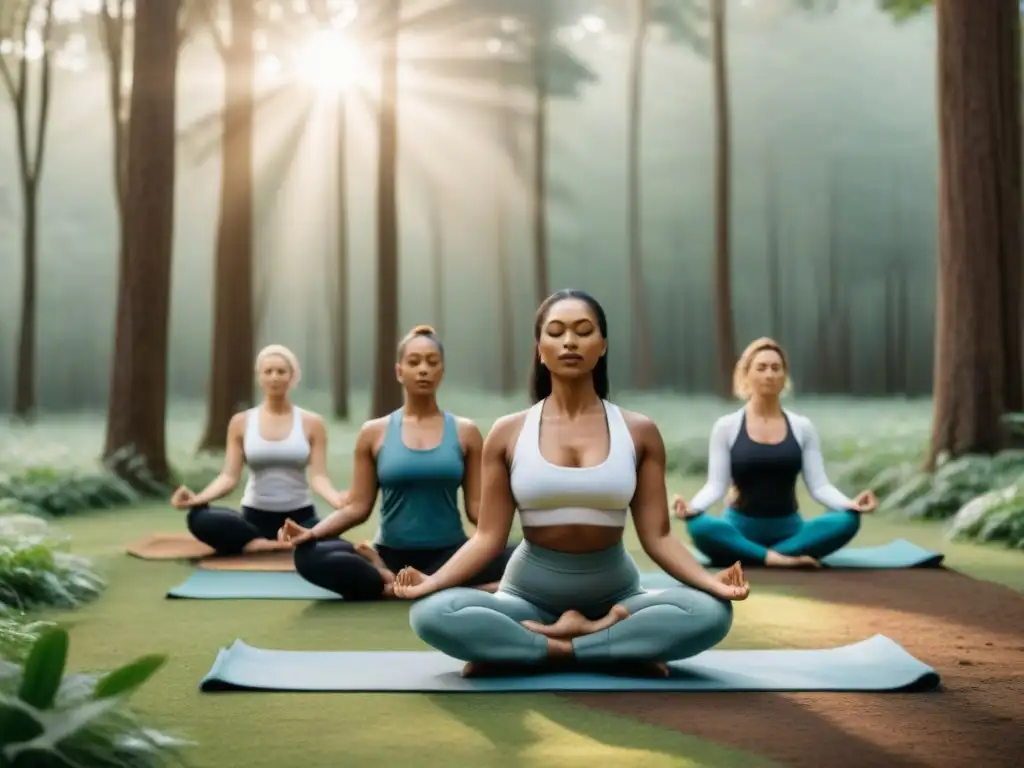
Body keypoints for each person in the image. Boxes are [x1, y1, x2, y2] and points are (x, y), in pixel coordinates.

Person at [391, 290, 746, 678]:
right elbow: (487, 537)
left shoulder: (639, 431)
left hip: (618, 597)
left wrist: (710, 583)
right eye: (556, 332)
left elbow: (658, 537)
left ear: (603, 344)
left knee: (711, 613)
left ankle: (531, 649)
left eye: (583, 331)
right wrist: (434, 581)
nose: (570, 342)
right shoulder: (508, 432)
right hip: (527, 596)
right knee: (431, 613)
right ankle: (609, 646)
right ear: (540, 348)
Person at [278, 325, 517, 601]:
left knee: (522, 556)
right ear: (399, 371)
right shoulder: (373, 432)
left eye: (432, 362)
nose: (423, 369)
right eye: (414, 362)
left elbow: (477, 509)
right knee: (309, 556)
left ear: (442, 370)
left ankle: (413, 585)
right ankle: (392, 578)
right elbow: (357, 507)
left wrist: (519, 509)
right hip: (389, 555)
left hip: (451, 555)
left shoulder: (466, 432)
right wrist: (312, 533)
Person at [674, 337, 877, 568]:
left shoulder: (802, 427)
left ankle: (756, 555)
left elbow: (819, 486)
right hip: (739, 528)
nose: (769, 375)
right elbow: (715, 486)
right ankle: (776, 558)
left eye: (775, 368)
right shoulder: (726, 427)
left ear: (784, 376)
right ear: (746, 375)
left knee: (848, 520)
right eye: (761, 368)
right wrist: (693, 507)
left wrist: (850, 504)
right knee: (698, 526)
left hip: (791, 531)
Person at [170, 345, 348, 555]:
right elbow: (228, 476)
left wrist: (338, 500)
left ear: (292, 377)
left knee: (341, 547)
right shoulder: (241, 422)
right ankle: (263, 544)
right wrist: (198, 499)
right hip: (254, 519)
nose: (274, 377)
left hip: (300, 518)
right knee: (198, 517)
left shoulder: (313, 423)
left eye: (281, 372)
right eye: (268, 371)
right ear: (259, 377)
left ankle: (275, 543)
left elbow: (318, 477)